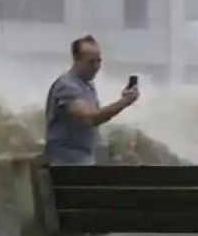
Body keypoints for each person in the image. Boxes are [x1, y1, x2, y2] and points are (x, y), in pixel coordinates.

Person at [43, 34, 139, 165]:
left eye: (98, 61)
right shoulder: (66, 86)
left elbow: (95, 119)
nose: (96, 66)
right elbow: (89, 118)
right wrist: (124, 102)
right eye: (91, 62)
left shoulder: (87, 85)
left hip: (82, 160)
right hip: (64, 164)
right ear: (76, 59)